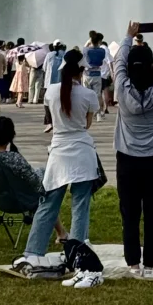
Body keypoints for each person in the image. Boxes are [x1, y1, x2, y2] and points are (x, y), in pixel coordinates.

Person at [17, 49, 100, 266]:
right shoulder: (88, 95)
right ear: (81, 71)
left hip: (59, 151)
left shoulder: (51, 92)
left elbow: (50, 121)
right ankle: (77, 252)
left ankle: (32, 252)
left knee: (48, 204)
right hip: (82, 151)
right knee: (80, 205)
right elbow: (87, 124)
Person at [113, 22, 153, 275]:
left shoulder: (121, 87)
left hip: (127, 160)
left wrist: (128, 36)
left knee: (129, 213)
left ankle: (132, 263)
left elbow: (119, 60)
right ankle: (150, 264)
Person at [0, 115, 68, 243]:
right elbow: (34, 181)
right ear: (10, 135)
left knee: (42, 173)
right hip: (21, 199)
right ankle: (61, 232)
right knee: (50, 185)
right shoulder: (14, 158)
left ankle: (61, 232)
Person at [83, 31, 108, 112]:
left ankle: (88, 111)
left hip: (87, 74)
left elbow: (84, 48)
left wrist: (89, 41)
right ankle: (99, 113)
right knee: (98, 95)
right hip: (97, 74)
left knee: (87, 94)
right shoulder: (102, 51)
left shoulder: (87, 50)